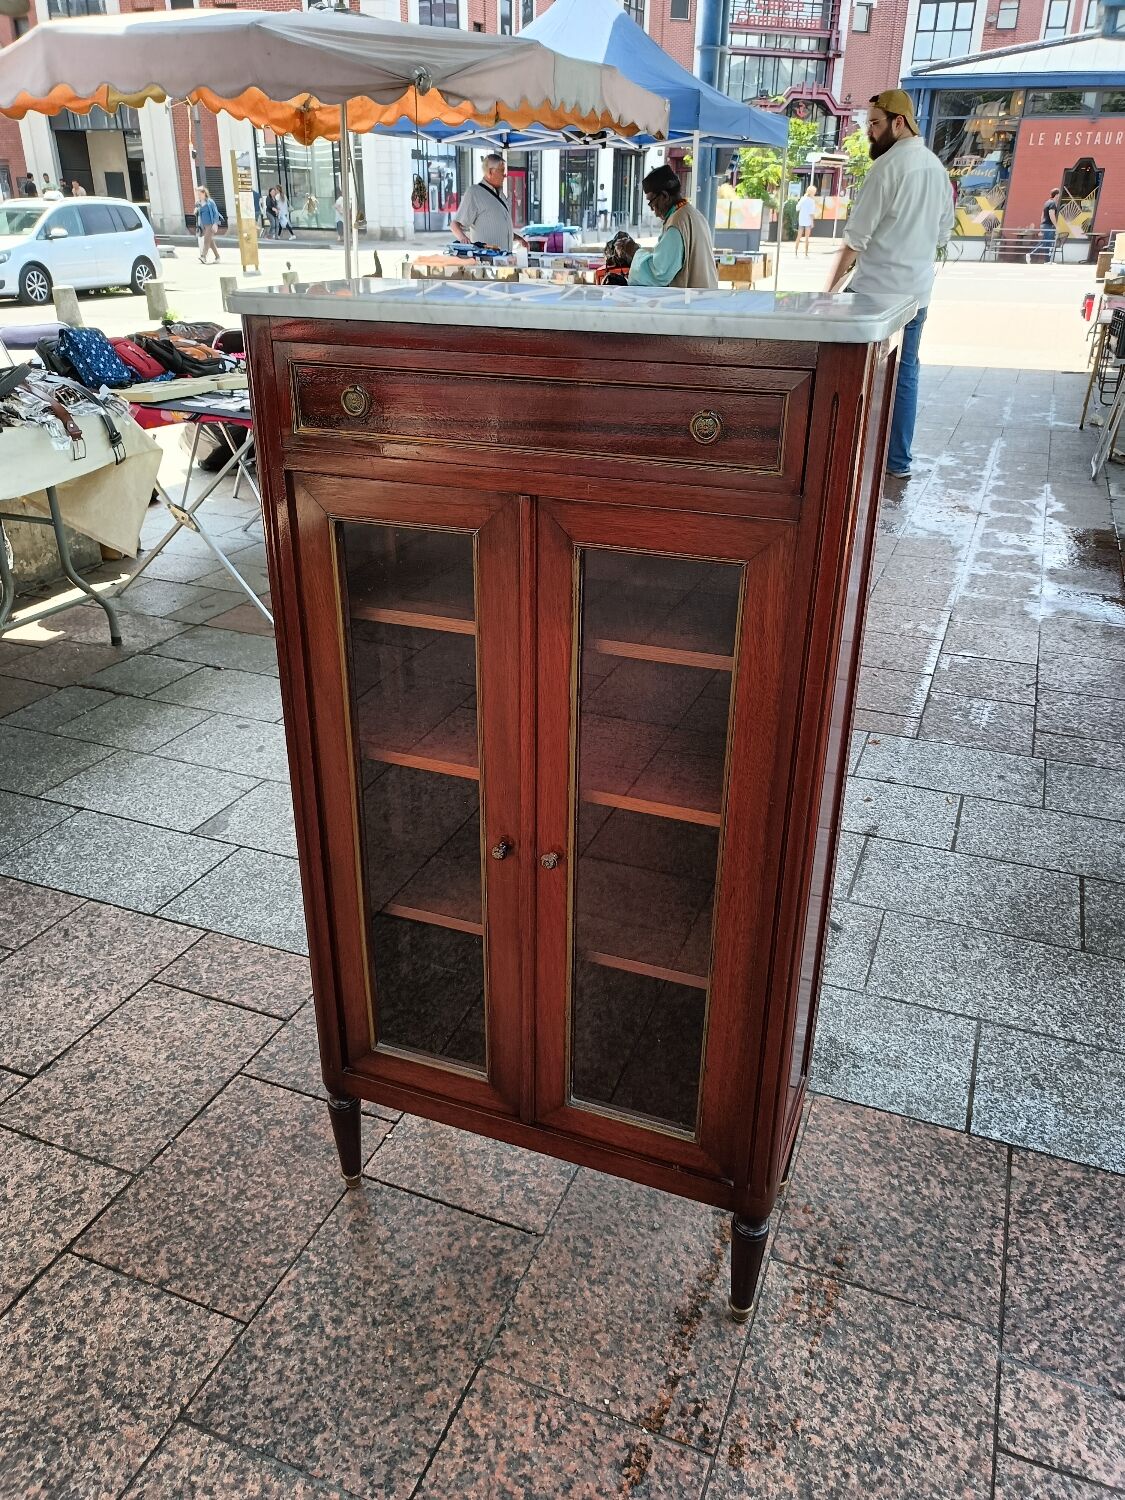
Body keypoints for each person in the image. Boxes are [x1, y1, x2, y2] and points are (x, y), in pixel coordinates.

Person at [824, 89, 954, 480]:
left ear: (900, 122)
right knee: (906, 373)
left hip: (873, 295)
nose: (870, 134)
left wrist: (826, 295)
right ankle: (897, 461)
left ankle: (847, 460)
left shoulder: (887, 169)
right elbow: (943, 236)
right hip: (916, 293)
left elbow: (854, 241)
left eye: (876, 124)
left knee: (850, 375)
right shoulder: (936, 169)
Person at [623, 164, 719, 289]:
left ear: (665, 196)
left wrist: (634, 251)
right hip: (705, 298)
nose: (653, 210)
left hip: (691, 302)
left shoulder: (676, 223)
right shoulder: (693, 214)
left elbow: (659, 273)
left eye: (652, 203)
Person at [450, 154, 527, 252]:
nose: (505, 175)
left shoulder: (500, 195)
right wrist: (463, 239)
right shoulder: (474, 192)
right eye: (502, 171)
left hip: (505, 259)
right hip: (486, 260)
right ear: (490, 172)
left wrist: (518, 238)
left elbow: (499, 228)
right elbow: (454, 224)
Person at [1028, 187, 1060, 264]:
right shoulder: (1052, 204)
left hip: (1044, 224)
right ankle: (1030, 254)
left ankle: (1047, 260)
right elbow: (1051, 215)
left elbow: (1042, 215)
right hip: (1048, 225)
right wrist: (1056, 225)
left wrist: (1041, 225)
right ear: (1056, 195)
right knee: (1045, 242)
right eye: (1059, 195)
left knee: (1047, 242)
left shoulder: (1047, 202)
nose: (1059, 196)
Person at [194, 185, 223, 263]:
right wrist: (196, 211)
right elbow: (198, 214)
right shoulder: (198, 203)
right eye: (197, 194)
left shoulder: (210, 202)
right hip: (203, 225)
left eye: (199, 193)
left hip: (211, 224)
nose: (198, 195)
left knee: (206, 240)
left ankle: (203, 256)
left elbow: (216, 213)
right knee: (210, 242)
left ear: (204, 193)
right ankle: (217, 257)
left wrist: (215, 223)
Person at [796, 185, 817, 256]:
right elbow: (811, 213)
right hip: (808, 221)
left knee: (799, 236)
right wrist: (812, 222)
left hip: (801, 219)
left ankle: (796, 251)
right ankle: (806, 253)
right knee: (807, 238)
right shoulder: (812, 201)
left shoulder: (802, 199)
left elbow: (797, 208)